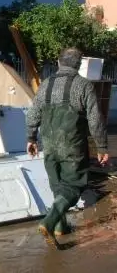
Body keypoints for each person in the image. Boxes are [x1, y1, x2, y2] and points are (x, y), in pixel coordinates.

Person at [26, 47, 109, 249]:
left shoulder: (45, 84)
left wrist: (31, 138)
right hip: (73, 145)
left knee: (57, 185)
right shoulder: (84, 85)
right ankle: (49, 221)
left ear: (58, 62)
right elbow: (95, 119)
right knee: (74, 185)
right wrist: (102, 146)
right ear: (79, 64)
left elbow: (33, 114)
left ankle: (60, 227)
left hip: (50, 145)